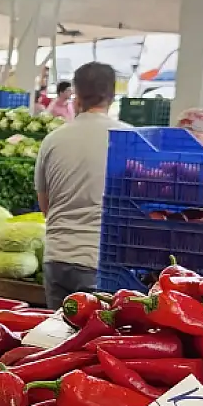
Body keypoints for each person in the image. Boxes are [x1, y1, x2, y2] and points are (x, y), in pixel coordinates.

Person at [35, 62, 129, 309]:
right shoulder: (129, 141)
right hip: (101, 263)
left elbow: (45, 206)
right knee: (95, 343)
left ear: (76, 92)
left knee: (56, 340)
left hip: (57, 257)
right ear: (112, 94)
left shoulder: (53, 140)